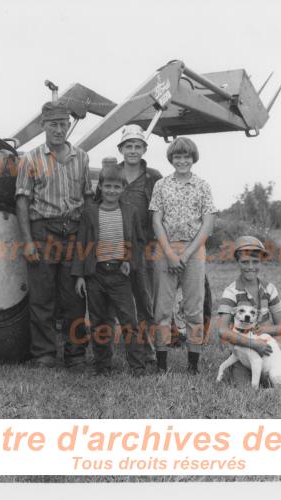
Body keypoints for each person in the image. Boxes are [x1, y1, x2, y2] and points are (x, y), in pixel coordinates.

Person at [15, 101, 94, 369]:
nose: (59, 130)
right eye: (53, 125)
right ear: (43, 126)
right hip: (42, 232)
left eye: (63, 124)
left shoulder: (81, 157)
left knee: (74, 298)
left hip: (73, 232)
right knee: (42, 297)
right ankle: (44, 354)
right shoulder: (30, 159)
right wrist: (27, 242)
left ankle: (75, 354)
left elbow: (87, 199)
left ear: (68, 125)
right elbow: (23, 201)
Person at [95, 124, 162, 364]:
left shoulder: (153, 176)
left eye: (137, 146)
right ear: (121, 149)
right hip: (115, 247)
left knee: (144, 300)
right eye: (128, 146)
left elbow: (159, 211)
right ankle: (110, 353)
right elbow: (98, 203)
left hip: (144, 247)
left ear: (144, 149)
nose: (133, 150)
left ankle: (147, 350)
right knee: (114, 300)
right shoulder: (113, 173)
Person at [149, 137, 216, 373]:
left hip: (194, 250)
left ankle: (193, 365)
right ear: (171, 159)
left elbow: (207, 224)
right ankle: (161, 365)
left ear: (193, 158)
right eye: (177, 156)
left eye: (187, 156)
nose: (182, 161)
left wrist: (186, 255)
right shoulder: (161, 185)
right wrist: (169, 253)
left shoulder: (203, 186)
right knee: (162, 309)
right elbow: (156, 220)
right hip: (165, 249)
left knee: (194, 308)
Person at [73, 159, 146, 375]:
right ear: (100, 187)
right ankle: (102, 366)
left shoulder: (130, 211)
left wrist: (129, 262)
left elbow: (139, 242)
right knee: (99, 321)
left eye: (116, 187)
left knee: (129, 321)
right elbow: (82, 244)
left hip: (119, 275)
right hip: (95, 275)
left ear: (123, 188)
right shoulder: (90, 212)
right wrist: (79, 276)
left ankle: (138, 367)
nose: (112, 191)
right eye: (107, 186)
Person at [215, 236, 281, 385]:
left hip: (268, 349)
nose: (250, 266)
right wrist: (253, 344)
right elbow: (223, 331)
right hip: (242, 352)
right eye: (245, 262)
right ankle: (240, 373)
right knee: (244, 388)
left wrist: (263, 330)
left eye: (255, 262)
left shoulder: (269, 289)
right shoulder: (231, 291)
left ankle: (271, 378)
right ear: (238, 262)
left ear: (261, 262)